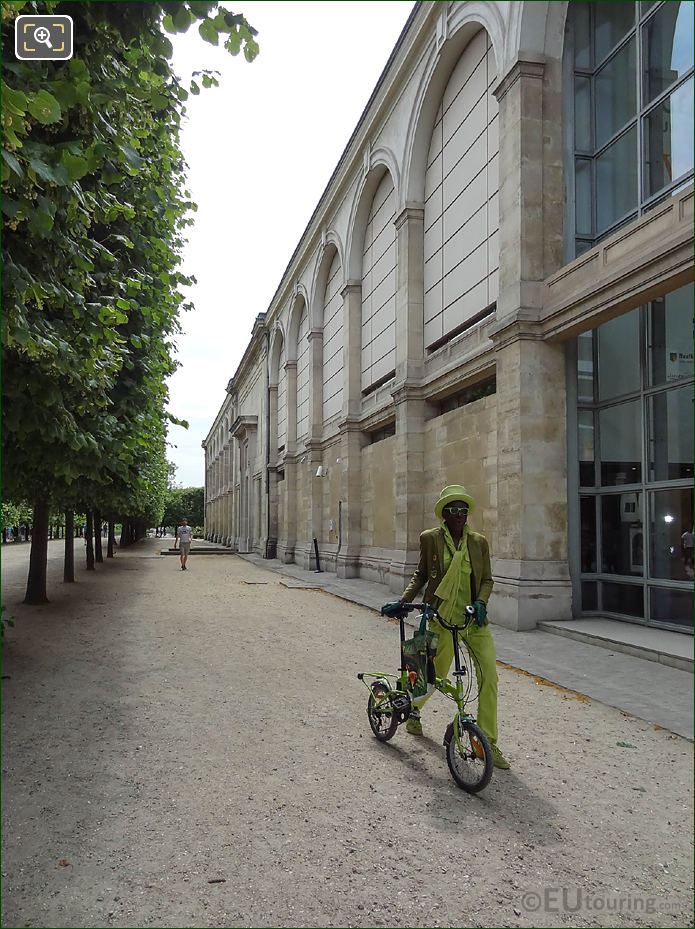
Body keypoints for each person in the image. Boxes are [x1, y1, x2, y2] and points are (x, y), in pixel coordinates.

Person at [382, 484, 510, 770]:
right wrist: (403, 601)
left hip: (472, 621)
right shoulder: (430, 539)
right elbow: (422, 574)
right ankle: (413, 710)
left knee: (490, 676)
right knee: (430, 675)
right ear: (444, 514)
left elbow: (487, 580)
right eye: (453, 510)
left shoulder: (479, 542)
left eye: (463, 510)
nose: (459, 515)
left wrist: (481, 602)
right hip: (439, 618)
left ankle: (486, 741)